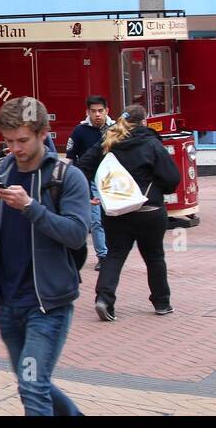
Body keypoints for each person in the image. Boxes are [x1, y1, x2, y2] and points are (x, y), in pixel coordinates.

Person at [0, 97, 89, 416]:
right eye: (9, 141)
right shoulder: (1, 168)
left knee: (32, 385)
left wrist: (31, 207)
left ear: (43, 134)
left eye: (22, 140)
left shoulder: (66, 176)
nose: (15, 148)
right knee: (33, 381)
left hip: (48, 304)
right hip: (9, 302)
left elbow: (76, 233)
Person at [74, 104, 179, 322]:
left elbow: (82, 165)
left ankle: (104, 299)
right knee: (154, 256)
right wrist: (159, 188)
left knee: (115, 253)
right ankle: (162, 302)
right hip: (149, 209)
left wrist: (88, 194)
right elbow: (172, 178)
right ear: (144, 121)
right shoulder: (151, 143)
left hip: (116, 211)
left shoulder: (108, 141)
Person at [65, 95, 112, 270]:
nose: (97, 115)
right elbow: (70, 158)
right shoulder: (80, 131)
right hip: (89, 181)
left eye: (100, 111)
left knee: (112, 217)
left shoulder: (115, 130)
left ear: (107, 111)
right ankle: (103, 255)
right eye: (93, 111)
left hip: (111, 180)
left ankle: (113, 253)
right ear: (87, 112)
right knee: (96, 220)